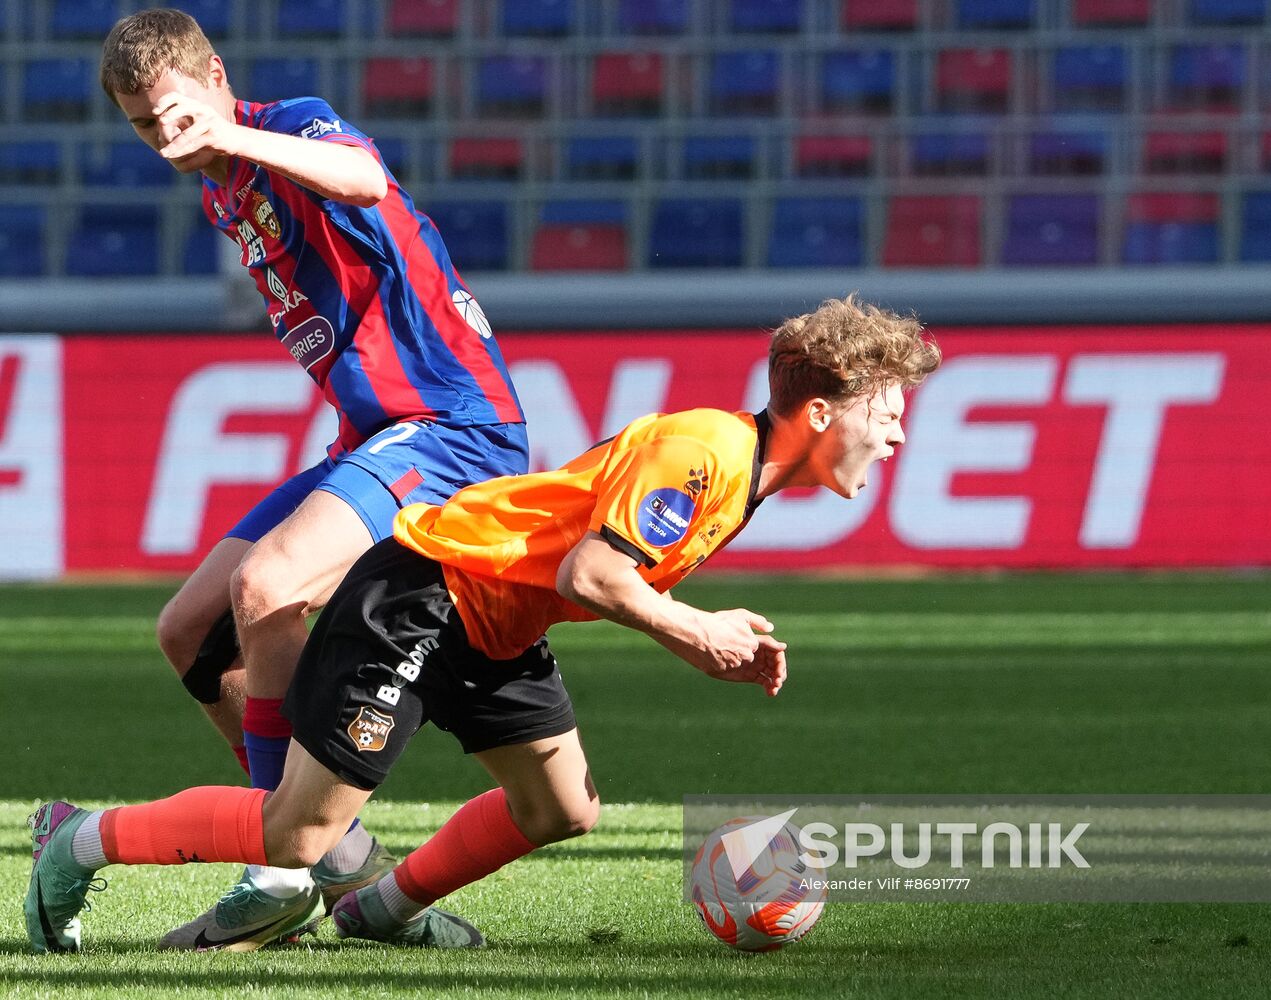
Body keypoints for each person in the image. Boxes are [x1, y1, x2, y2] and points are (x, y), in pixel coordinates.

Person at [25, 296, 940, 954]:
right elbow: (595, 573)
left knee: (562, 807)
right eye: (886, 414)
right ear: (819, 412)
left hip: (495, 619)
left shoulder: (739, 472)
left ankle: (374, 913)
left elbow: (586, 576)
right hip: (425, 595)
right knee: (294, 837)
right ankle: (78, 840)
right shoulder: (705, 451)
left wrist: (694, 632)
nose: (896, 435)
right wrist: (695, 631)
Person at [96, 8, 529, 949]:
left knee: (266, 587)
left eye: (178, 114)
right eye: (144, 127)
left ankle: (279, 866)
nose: (168, 139)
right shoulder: (220, 189)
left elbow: (366, 180)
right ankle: (338, 864)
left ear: (214, 76)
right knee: (189, 632)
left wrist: (235, 133)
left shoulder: (291, 124)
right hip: (375, 434)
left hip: (453, 425)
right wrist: (216, 147)